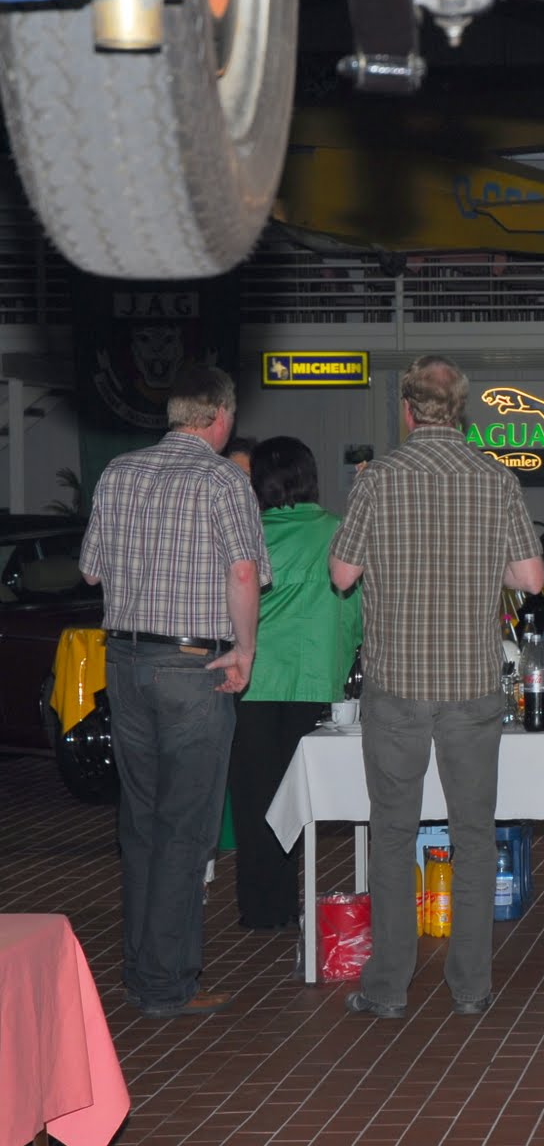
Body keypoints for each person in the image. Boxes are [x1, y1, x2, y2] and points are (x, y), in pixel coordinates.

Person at [329, 355, 544, 1020]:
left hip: (396, 684)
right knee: (474, 836)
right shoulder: (496, 477)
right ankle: (471, 986)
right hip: (472, 685)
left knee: (393, 834)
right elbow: (531, 578)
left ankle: (388, 987)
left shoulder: (377, 479)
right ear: (461, 410)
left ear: (407, 408)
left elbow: (342, 575)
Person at [80, 364, 270, 1018]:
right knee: (185, 829)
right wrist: (245, 651)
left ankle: (142, 973)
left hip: (125, 660)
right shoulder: (223, 479)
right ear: (221, 416)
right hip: (192, 666)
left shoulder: (119, 472)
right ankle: (165, 984)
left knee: (141, 823)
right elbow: (243, 573)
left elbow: (91, 570)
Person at [229, 437, 362, 931]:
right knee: (301, 797)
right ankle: (292, 899)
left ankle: (261, 907)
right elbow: (359, 607)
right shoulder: (339, 532)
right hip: (315, 678)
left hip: (252, 681)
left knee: (254, 798)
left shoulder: (246, 534)